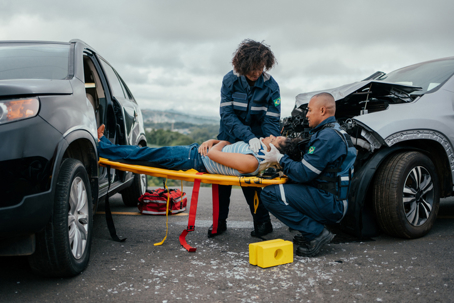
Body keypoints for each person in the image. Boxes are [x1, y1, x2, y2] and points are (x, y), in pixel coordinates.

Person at [259, 93, 357, 257]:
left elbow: (303, 174)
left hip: (331, 204)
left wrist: (279, 158)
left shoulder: (327, 137)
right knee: (288, 185)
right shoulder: (333, 133)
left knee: (269, 194)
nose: (307, 114)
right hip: (334, 199)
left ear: (323, 110)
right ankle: (312, 229)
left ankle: (316, 233)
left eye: (310, 110)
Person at [214, 39, 281, 238]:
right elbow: (227, 115)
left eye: (260, 68)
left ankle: (262, 223)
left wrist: (264, 141)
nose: (256, 72)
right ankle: (219, 223)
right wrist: (246, 136)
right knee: (221, 178)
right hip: (229, 133)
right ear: (242, 66)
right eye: (252, 68)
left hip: (258, 136)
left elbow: (271, 120)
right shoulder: (229, 80)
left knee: (252, 179)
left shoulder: (271, 86)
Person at [97, 124, 288, 178]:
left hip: (192, 158)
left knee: (143, 155)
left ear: (273, 149)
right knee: (144, 155)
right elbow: (224, 146)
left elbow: (213, 154)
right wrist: (214, 141)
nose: (271, 135)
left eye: (275, 139)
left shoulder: (252, 162)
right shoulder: (254, 151)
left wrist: (217, 143)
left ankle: (101, 147)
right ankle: (105, 145)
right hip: (194, 153)